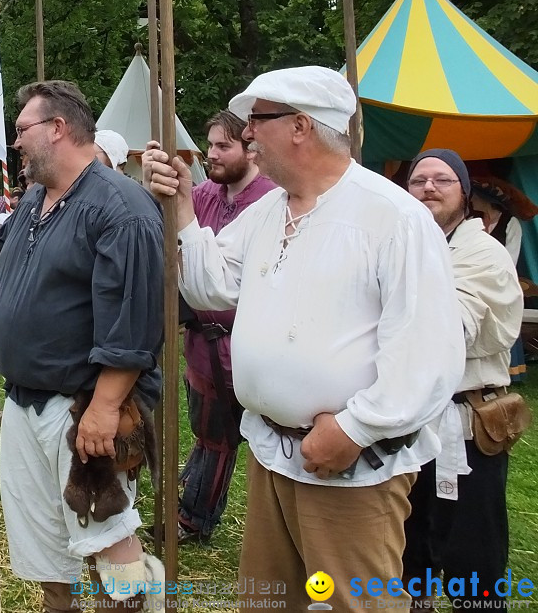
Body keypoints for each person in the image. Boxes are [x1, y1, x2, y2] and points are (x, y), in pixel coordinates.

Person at [143, 65, 464, 611]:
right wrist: (181, 210)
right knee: (269, 603)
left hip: (350, 469)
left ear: (300, 126)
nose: (246, 135)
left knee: (353, 606)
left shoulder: (394, 218)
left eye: (255, 121)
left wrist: (356, 428)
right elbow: (210, 286)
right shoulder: (269, 210)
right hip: (272, 454)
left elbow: (428, 353)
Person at [0, 81, 165, 612]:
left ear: (57, 128)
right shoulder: (35, 199)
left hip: (82, 406)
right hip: (25, 401)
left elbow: (135, 320)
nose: (15, 142)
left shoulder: (121, 206)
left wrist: (103, 408)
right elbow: (1, 261)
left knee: (107, 537)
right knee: (45, 547)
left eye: (21, 129)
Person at [402, 150, 523, 609]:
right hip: (415, 414)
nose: (428, 187)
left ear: (464, 193)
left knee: (472, 543)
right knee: (414, 530)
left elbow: (449, 328)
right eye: (418, 180)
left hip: (468, 420)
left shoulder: (482, 252)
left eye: (442, 180)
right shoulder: (410, 244)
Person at [165, 110, 275, 545]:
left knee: (221, 437)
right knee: (206, 429)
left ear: (250, 149)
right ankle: (194, 501)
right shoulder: (203, 194)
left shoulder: (271, 201)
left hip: (242, 344)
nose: (211, 154)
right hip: (199, 342)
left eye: (223, 145)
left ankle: (194, 518)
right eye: (209, 145)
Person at [471, 178, 528, 383]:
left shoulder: (510, 223)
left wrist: (490, 274)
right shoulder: (472, 221)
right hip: (476, 280)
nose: (471, 200)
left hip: (500, 281)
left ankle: (513, 369)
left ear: (485, 199)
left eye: (475, 196)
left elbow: (510, 257)